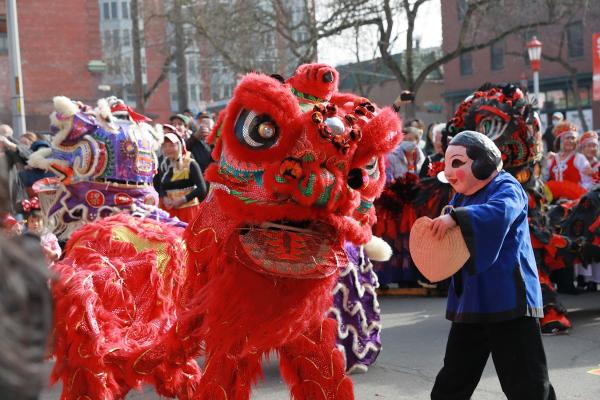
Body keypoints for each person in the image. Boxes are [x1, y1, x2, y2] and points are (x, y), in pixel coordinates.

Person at [428, 131, 555, 400]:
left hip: (509, 299)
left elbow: (500, 211)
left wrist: (457, 218)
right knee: (453, 380)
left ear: (484, 161)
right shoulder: (460, 197)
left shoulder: (507, 187)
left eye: (457, 163)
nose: (449, 172)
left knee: (527, 384)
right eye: (447, 164)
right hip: (472, 299)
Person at [158, 129, 207, 223]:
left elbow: (202, 188)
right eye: (165, 146)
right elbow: (161, 186)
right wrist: (164, 197)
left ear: (179, 146)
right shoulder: (164, 165)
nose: (168, 149)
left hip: (188, 210)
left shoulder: (190, 163)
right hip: (169, 210)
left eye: (172, 145)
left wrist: (183, 199)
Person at [545, 121, 592, 199]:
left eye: (573, 138)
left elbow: (587, 182)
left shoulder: (579, 158)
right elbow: (543, 179)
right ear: (560, 140)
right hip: (552, 200)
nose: (570, 141)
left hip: (575, 200)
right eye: (567, 138)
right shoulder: (552, 158)